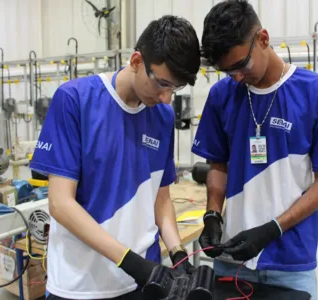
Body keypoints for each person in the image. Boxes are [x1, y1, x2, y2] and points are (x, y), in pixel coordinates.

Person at [192, 1, 318, 299]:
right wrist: (212, 215)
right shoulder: (221, 95)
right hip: (231, 261)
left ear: (263, 39)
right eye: (228, 72)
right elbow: (218, 166)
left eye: (241, 65)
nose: (238, 77)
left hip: (290, 262)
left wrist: (272, 229)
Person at [29, 15, 201, 300]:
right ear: (136, 61)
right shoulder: (74, 101)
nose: (166, 98)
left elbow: (162, 199)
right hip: (80, 285)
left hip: (141, 284)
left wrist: (178, 254)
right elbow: (60, 204)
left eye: (175, 88)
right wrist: (131, 262)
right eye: (161, 84)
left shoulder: (162, 116)